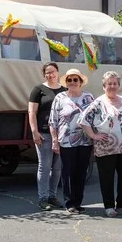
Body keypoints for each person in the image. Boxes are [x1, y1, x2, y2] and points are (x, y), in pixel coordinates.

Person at [80, 71, 122, 218]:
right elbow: (83, 120)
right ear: (104, 86)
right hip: (105, 148)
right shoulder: (98, 102)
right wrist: (93, 135)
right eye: (109, 83)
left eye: (115, 83)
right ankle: (109, 206)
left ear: (119, 85)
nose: (112, 86)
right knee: (107, 178)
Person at [49, 69, 95, 214]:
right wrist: (55, 141)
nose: (72, 82)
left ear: (80, 82)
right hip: (66, 141)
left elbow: (95, 118)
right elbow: (53, 121)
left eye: (75, 80)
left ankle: (78, 202)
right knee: (68, 172)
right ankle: (70, 203)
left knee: (81, 172)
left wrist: (95, 136)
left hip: (85, 141)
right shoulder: (60, 98)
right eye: (69, 80)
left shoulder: (88, 97)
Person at [28, 62, 67, 210]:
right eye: (47, 72)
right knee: (44, 166)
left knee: (57, 167)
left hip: (61, 134)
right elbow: (32, 112)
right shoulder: (38, 90)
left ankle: (52, 196)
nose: (50, 74)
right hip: (44, 133)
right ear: (44, 74)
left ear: (58, 72)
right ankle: (42, 198)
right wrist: (34, 131)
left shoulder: (64, 90)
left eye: (53, 71)